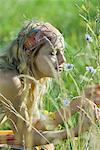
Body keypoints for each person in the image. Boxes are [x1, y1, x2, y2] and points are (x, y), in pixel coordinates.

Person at [0, 21, 99, 149]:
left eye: (62, 52)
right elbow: (25, 138)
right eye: (53, 53)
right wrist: (75, 131)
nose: (63, 60)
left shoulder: (30, 79)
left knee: (46, 146)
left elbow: (34, 126)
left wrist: (73, 107)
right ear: (29, 54)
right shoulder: (10, 80)